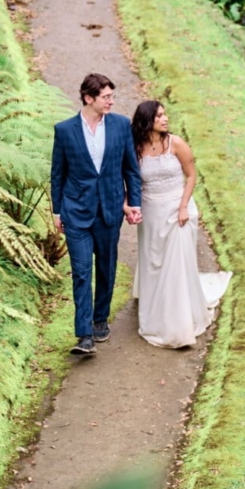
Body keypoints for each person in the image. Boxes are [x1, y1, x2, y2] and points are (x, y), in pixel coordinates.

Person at [50, 72, 142, 358]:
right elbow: (58, 174)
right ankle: (84, 334)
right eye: (106, 97)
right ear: (89, 98)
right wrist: (56, 210)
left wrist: (134, 202)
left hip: (109, 209)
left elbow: (130, 169)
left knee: (106, 266)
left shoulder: (120, 126)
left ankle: (100, 317)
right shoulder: (64, 130)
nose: (111, 101)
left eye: (112, 96)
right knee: (81, 272)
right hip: (76, 212)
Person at [131, 99, 230, 349]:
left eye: (165, 114)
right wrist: (129, 205)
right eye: (159, 116)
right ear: (147, 122)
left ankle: (178, 324)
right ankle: (155, 309)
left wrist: (184, 206)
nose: (165, 119)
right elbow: (130, 180)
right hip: (151, 211)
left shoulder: (176, 143)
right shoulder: (136, 148)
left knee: (175, 265)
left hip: (179, 211)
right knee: (155, 262)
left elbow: (191, 174)